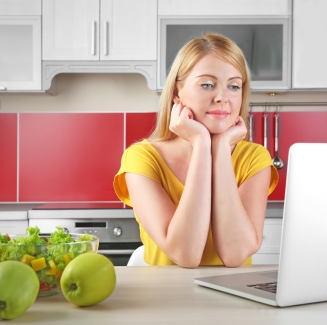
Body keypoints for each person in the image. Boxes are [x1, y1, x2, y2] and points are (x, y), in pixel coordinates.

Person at [114, 33, 279, 268]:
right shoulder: (142, 158)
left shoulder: (254, 158)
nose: (222, 98)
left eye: (234, 86)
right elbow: (185, 254)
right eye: (207, 85)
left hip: (235, 301)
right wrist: (201, 144)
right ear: (175, 92)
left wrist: (220, 150)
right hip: (165, 299)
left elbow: (235, 254)